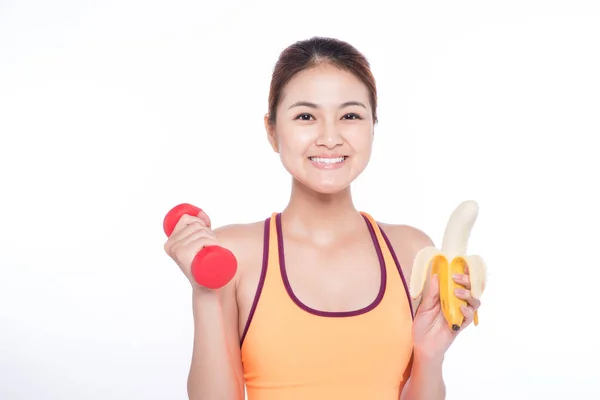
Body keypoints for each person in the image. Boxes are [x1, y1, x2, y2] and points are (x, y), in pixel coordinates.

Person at [163, 36, 482, 400]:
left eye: (350, 116)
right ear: (271, 130)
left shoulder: (412, 251)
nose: (330, 138)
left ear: (372, 126)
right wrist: (206, 292)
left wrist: (430, 353)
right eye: (305, 116)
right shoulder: (231, 254)